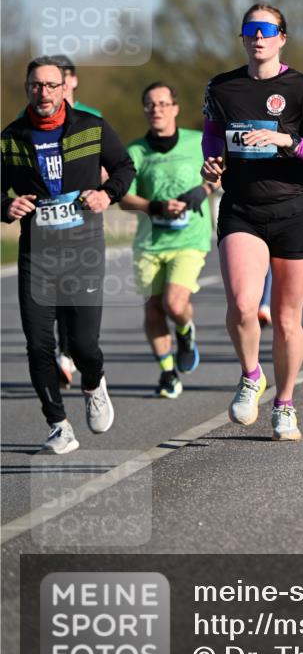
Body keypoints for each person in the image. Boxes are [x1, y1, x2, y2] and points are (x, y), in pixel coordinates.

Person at [201, 3, 303, 441]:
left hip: (296, 210)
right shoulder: (222, 88)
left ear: (282, 37)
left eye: (267, 29)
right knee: (244, 305)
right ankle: (250, 375)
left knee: (285, 319)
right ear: (242, 38)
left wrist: (288, 140)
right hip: (242, 208)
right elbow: (211, 141)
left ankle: (284, 405)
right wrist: (211, 166)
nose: (258, 37)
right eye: (250, 29)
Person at [1, 56, 135, 453]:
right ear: (28, 89)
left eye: (51, 85)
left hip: (84, 252)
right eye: (36, 85)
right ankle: (58, 424)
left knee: (81, 345)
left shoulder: (91, 128)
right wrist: (4, 208)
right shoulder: (11, 138)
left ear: (65, 88)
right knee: (39, 343)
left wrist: (106, 194)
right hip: (36, 255)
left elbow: (125, 167)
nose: (44, 92)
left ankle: (94, 384)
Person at [119, 83, 215, 398]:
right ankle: (167, 372)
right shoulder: (134, 151)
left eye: (162, 103)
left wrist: (201, 191)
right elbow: (123, 197)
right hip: (150, 242)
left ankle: (186, 333)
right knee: (153, 310)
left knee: (174, 303)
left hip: (190, 237)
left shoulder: (197, 141)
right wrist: (153, 206)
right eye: (149, 104)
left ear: (174, 107)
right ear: (145, 110)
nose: (156, 109)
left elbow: (217, 172)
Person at [49, 54, 103, 389]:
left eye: (63, 79)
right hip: (47, 227)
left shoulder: (92, 118)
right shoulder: (32, 121)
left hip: (82, 223)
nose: (58, 87)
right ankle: (63, 352)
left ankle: (75, 353)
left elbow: (111, 164)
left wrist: (98, 184)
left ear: (73, 81)